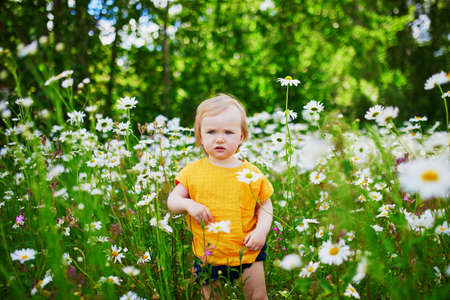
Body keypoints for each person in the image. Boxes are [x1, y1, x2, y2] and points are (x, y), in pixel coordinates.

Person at [167, 94, 274, 300]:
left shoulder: (251, 173)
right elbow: (173, 202)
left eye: (228, 132)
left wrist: (261, 231)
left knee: (258, 295)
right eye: (211, 132)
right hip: (208, 253)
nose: (219, 138)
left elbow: (265, 204)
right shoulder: (191, 172)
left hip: (247, 249)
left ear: (241, 137)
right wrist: (189, 204)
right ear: (200, 136)